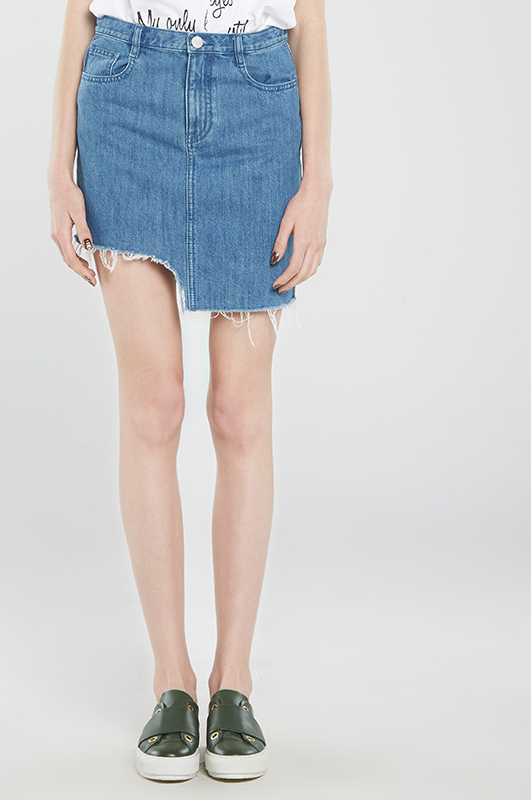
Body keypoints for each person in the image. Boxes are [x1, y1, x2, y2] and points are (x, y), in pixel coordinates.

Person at [47, 0, 332, 782]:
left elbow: (309, 18)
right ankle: (171, 678)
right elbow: (78, 12)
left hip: (255, 104)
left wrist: (319, 180)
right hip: (124, 96)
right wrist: (57, 171)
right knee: (154, 406)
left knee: (240, 412)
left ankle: (232, 679)